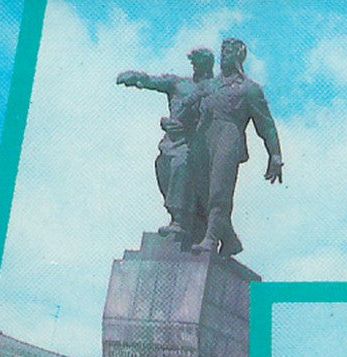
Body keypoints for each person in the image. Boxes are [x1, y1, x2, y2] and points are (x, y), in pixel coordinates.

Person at [189, 39, 282, 257]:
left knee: (219, 190)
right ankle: (230, 239)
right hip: (204, 137)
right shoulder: (209, 85)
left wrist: (275, 155)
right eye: (223, 51)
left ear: (239, 56)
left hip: (229, 137)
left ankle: (212, 239)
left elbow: (266, 125)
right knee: (200, 190)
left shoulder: (249, 89)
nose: (224, 55)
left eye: (230, 51)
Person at [116, 47, 216, 243]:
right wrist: (135, 78)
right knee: (163, 168)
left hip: (193, 144)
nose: (197, 68)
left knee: (181, 166)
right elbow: (152, 81)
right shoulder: (178, 83)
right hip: (171, 141)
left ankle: (180, 220)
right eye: (195, 63)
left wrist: (192, 128)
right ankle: (179, 217)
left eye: (201, 64)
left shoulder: (213, 90)